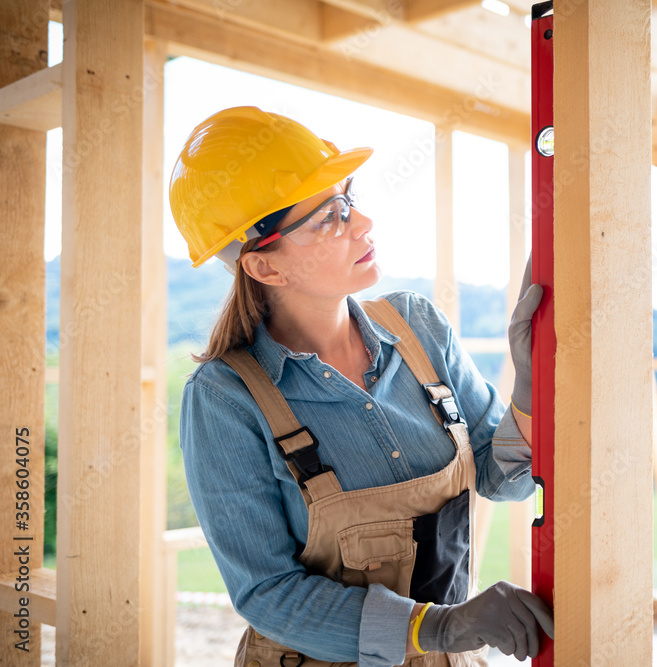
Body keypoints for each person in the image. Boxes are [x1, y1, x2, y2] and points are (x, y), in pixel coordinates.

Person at [169, 106, 553, 667]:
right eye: (329, 217)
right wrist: (442, 627)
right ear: (265, 268)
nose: (362, 223)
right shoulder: (225, 399)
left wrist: (531, 381)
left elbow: (504, 480)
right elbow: (267, 593)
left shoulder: (419, 327)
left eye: (348, 199)